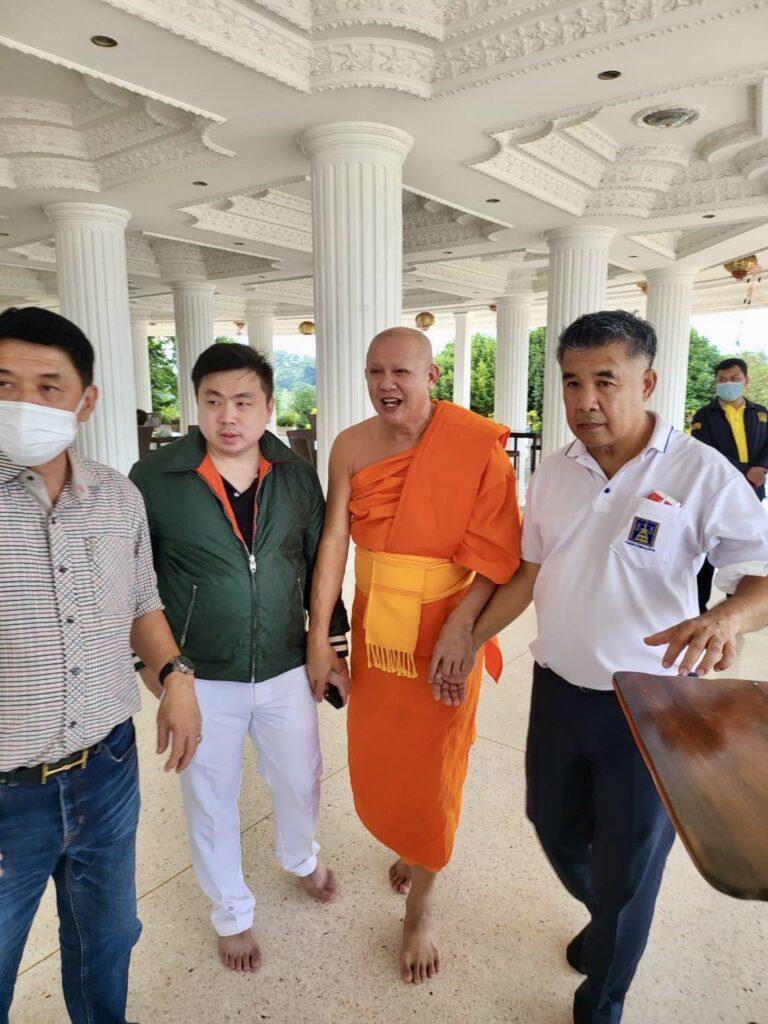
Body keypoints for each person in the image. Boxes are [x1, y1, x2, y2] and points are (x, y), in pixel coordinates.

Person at [471, 310, 768, 1024]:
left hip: (654, 705)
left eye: (605, 381)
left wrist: (726, 618)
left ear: (648, 382)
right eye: (572, 383)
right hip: (558, 688)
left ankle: (602, 998)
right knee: (552, 825)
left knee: (629, 869)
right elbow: (528, 573)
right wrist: (469, 638)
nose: (586, 401)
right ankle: (609, 922)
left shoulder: (700, 472)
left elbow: (760, 576)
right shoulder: (554, 471)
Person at [0, 306, 201, 1024]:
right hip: (6, 793)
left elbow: (141, 601)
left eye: (47, 386)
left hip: (107, 770)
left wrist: (175, 676)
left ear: (85, 402)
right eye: (4, 383)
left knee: (107, 942)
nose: (23, 402)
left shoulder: (118, 496)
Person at [307, 327, 521, 985]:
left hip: (444, 635)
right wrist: (320, 636)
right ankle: (410, 844)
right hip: (377, 633)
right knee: (383, 758)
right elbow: (334, 543)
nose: (386, 384)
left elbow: (496, 551)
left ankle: (422, 904)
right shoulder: (350, 445)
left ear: (431, 376)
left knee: (434, 769)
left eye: (400, 371)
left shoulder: (474, 444)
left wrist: (463, 630)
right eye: (375, 372)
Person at [129, 342, 349, 974]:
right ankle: (231, 911)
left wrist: (331, 644)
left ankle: (300, 856)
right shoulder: (156, 478)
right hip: (200, 673)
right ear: (196, 403)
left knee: (301, 777)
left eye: (244, 402)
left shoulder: (295, 473)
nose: (229, 416)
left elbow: (321, 564)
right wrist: (154, 668)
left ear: (269, 407)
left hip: (284, 663)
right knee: (210, 795)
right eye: (213, 400)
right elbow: (133, 579)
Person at [690, 357, 768, 611]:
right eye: (722, 380)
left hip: (753, 489)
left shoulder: (760, 413)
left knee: (746, 547)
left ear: (746, 381)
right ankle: (698, 606)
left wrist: (760, 468)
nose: (728, 384)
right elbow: (705, 451)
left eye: (734, 379)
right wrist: (745, 472)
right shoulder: (704, 415)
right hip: (716, 490)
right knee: (709, 547)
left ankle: (738, 603)